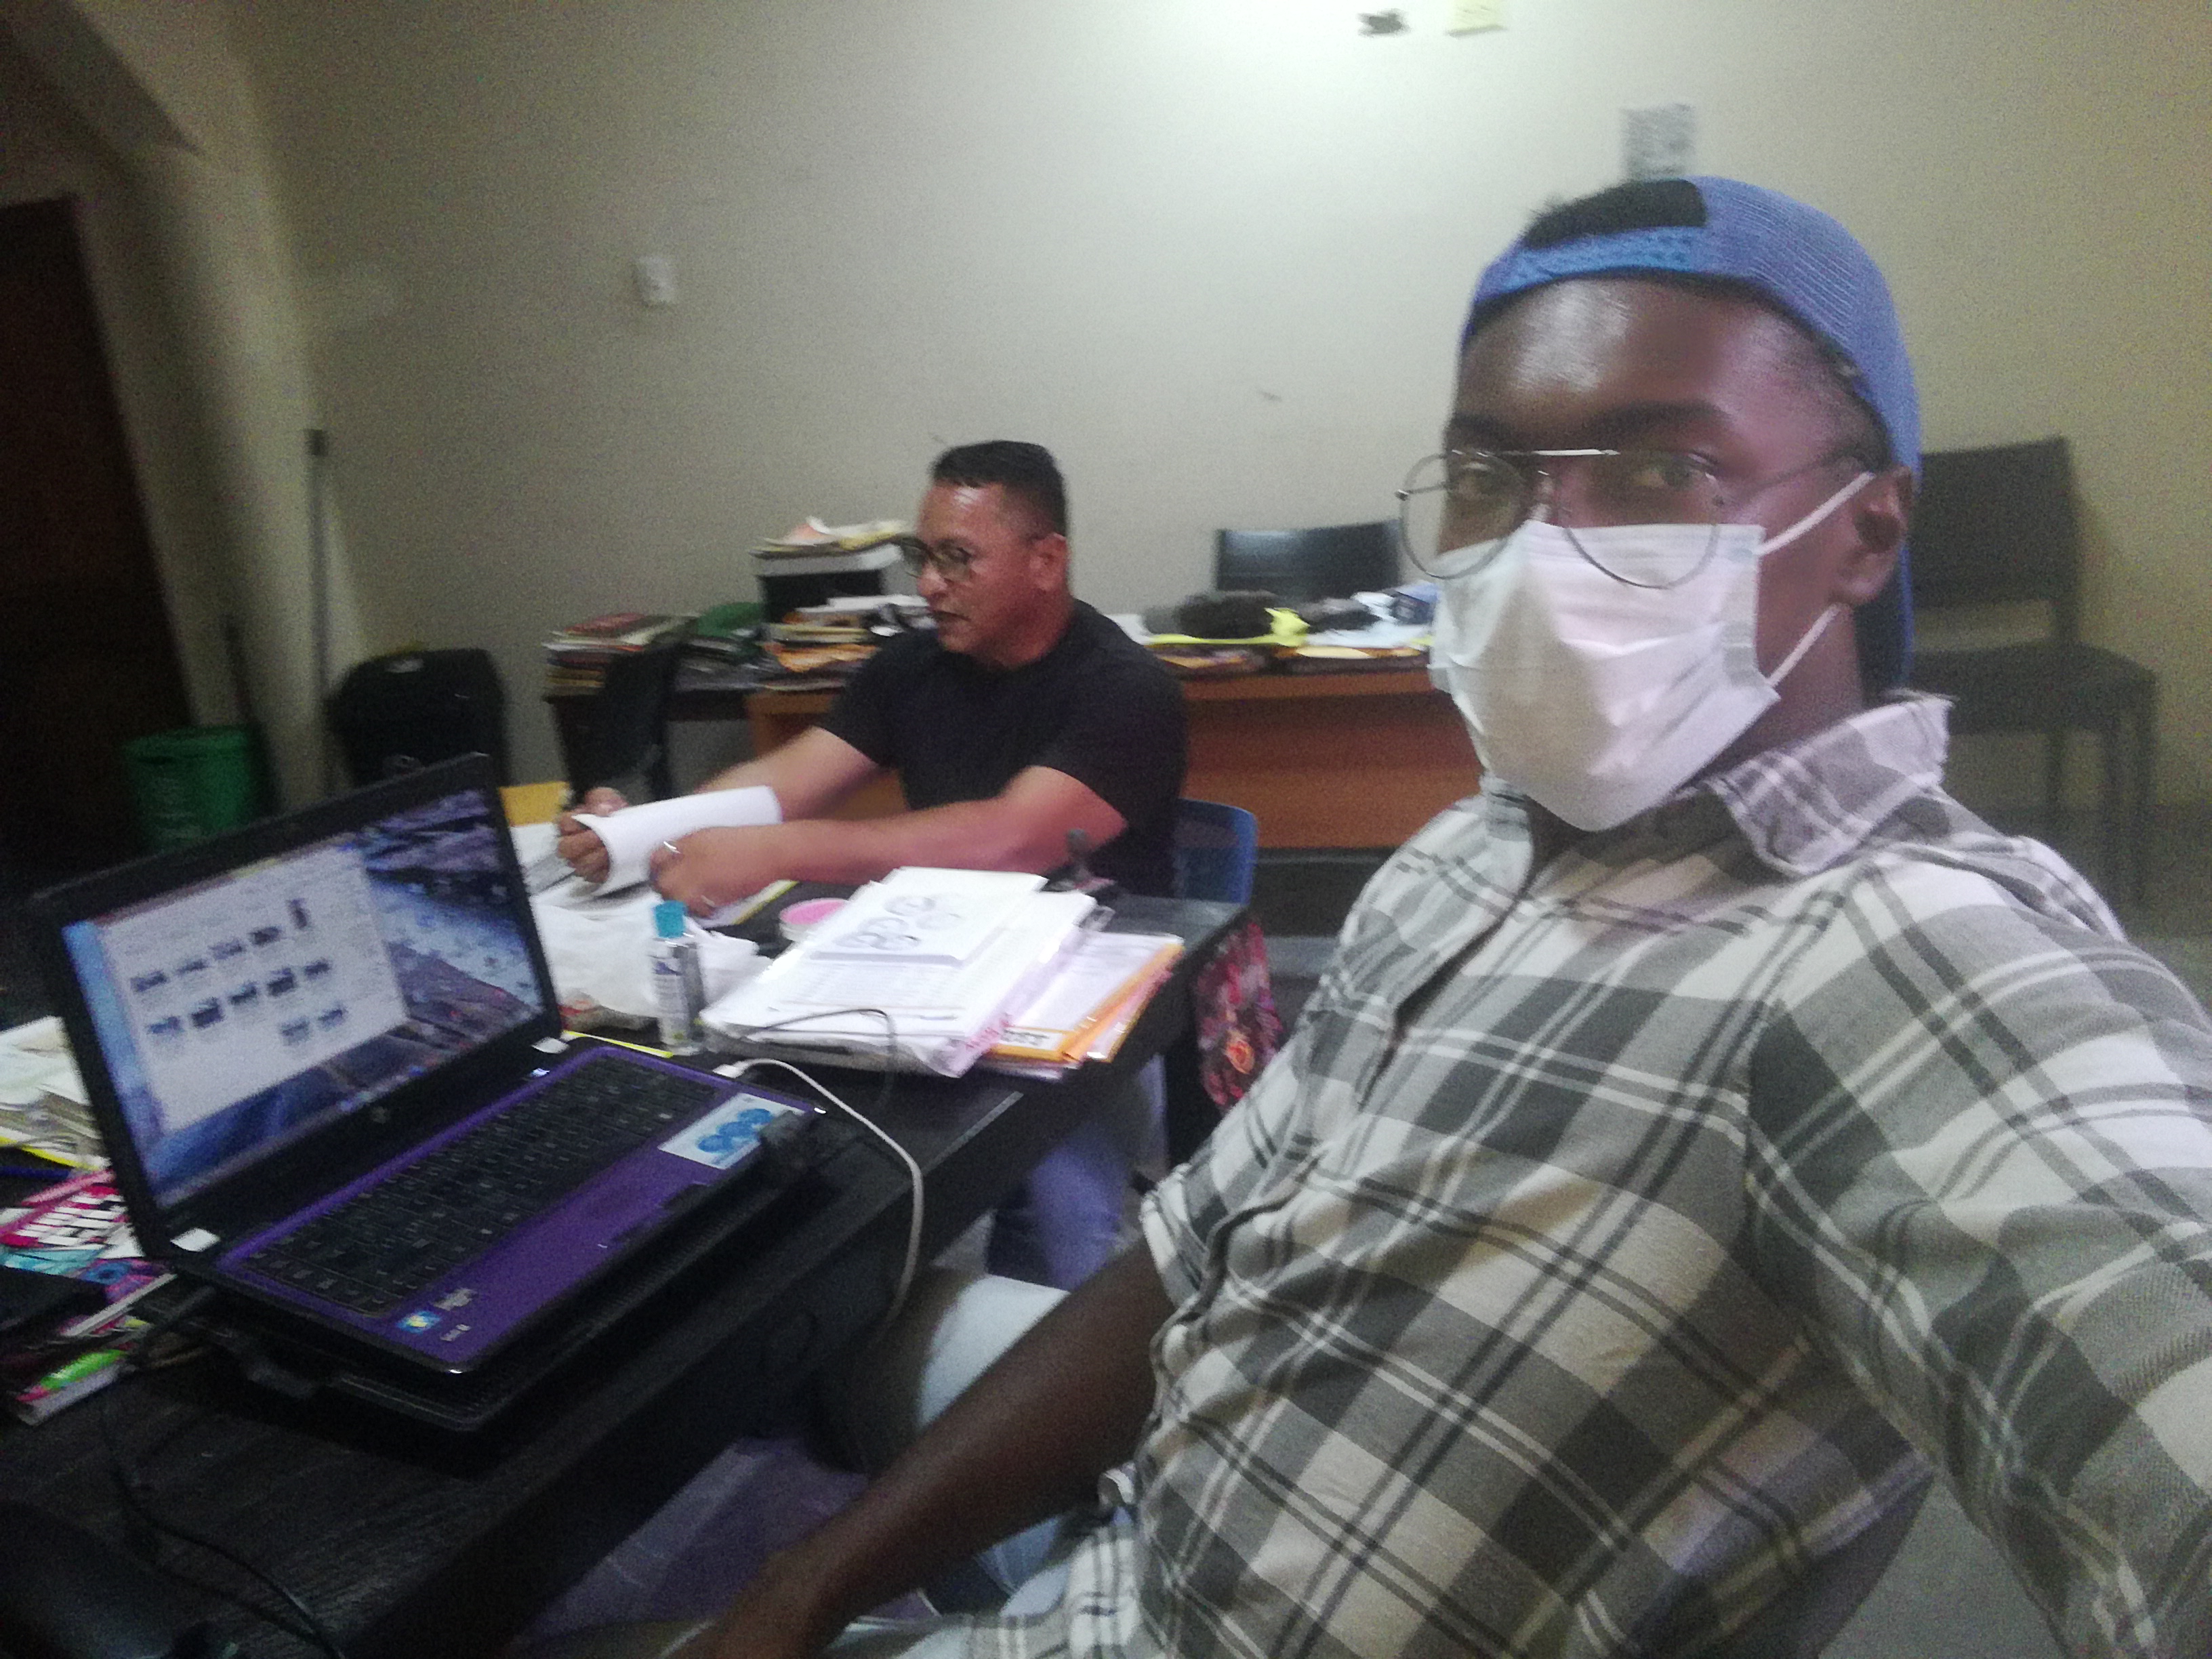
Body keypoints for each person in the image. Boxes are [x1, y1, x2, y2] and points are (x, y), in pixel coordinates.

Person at [609, 179, 2212, 1659]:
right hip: (1151, 1529)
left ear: (1866, 528)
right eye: (1491, 476)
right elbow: (1195, 1249)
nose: (1547, 539)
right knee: (791, 1322)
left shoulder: (1918, 963)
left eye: (1660, 469)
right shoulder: (1469, 851)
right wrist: (805, 1584)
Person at [560, 441, 1189, 1288]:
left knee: (1053, 1234)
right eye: (922, 557)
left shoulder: (1127, 689)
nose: (928, 584)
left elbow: (1011, 840)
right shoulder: (913, 667)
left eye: (957, 558)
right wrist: (642, 831)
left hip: (1087, 1000)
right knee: (815, 1171)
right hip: (930, 968)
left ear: (1046, 561)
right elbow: (787, 782)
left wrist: (776, 851)